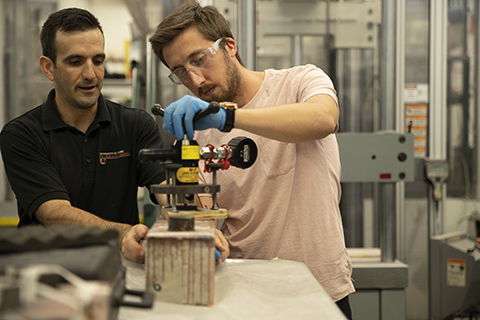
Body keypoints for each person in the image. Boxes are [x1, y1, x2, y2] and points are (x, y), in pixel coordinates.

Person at [149, 1, 355, 318]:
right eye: (180, 71)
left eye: (199, 60)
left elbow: (323, 119)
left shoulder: (299, 82)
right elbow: (201, 208)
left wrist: (227, 119)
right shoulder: (199, 132)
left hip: (319, 292)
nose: (195, 79)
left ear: (229, 46)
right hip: (246, 293)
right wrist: (175, 199)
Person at [0, 7, 229, 265]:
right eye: (75, 62)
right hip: (45, 276)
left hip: (118, 271)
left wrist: (193, 223)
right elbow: (54, 212)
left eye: (98, 60)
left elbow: (165, 188)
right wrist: (122, 233)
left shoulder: (135, 124)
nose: (91, 74)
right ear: (48, 68)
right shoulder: (21, 134)